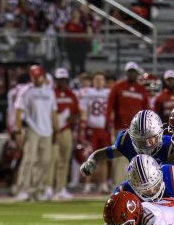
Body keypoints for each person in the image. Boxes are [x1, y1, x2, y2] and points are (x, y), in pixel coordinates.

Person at [12, 64, 58, 202]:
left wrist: (57, 130)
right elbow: (18, 110)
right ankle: (22, 189)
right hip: (32, 128)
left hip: (47, 130)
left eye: (39, 76)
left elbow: (53, 112)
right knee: (29, 160)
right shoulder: (26, 91)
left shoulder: (49, 92)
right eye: (34, 77)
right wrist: (18, 130)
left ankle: (37, 189)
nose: (37, 79)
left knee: (45, 161)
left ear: (43, 76)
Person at [105, 62, 150, 182]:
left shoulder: (141, 90)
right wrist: (108, 123)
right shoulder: (118, 87)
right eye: (130, 71)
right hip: (121, 128)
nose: (132, 74)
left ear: (137, 73)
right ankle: (118, 185)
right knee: (120, 157)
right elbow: (109, 107)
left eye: (134, 72)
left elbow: (147, 110)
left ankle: (133, 185)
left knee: (137, 158)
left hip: (138, 130)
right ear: (126, 72)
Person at [77, 71, 111, 193]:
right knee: (90, 158)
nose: (99, 82)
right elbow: (83, 111)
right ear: (93, 81)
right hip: (91, 129)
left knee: (104, 158)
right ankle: (87, 184)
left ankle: (103, 184)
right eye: (96, 79)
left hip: (104, 129)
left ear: (104, 81)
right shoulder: (88, 93)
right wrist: (82, 128)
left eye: (101, 79)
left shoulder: (109, 93)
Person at [52, 68, 79, 201]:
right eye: (59, 79)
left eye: (63, 79)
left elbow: (77, 113)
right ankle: (49, 187)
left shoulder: (71, 94)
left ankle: (61, 188)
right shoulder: (51, 93)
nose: (61, 82)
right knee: (53, 160)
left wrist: (73, 118)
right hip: (52, 130)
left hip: (66, 130)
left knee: (64, 160)